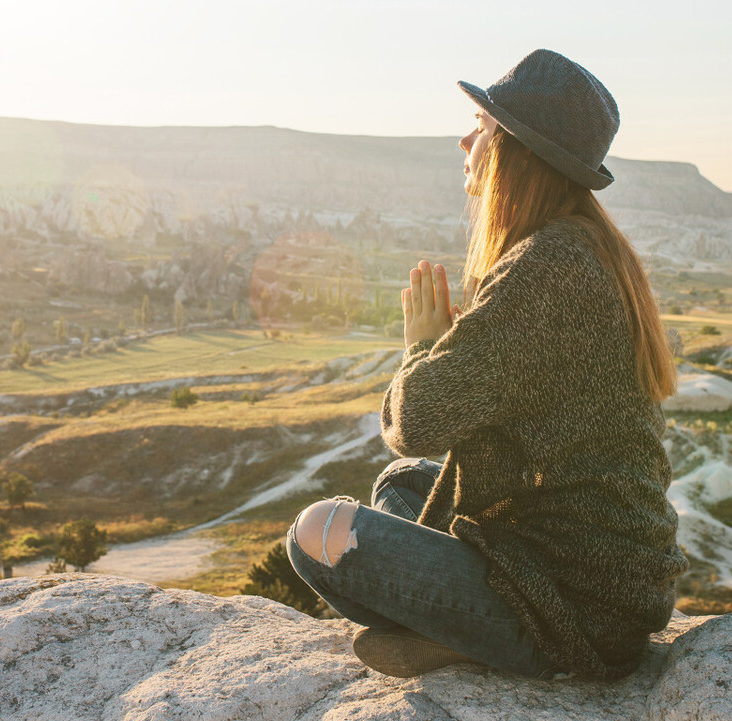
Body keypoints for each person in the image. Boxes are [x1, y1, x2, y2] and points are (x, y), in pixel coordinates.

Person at [285, 49, 688, 681]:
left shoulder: (547, 267)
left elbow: (415, 420)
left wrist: (422, 344)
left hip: (573, 602)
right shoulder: (581, 246)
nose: (466, 138)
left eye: (482, 125)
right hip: (592, 568)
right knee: (402, 484)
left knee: (318, 532)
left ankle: (484, 638)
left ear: (515, 150)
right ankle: (452, 630)